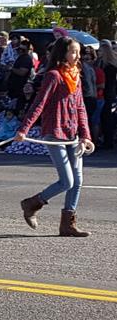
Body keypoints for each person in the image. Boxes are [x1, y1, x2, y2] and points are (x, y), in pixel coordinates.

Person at [15, 35, 94, 237]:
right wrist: (24, 129)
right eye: (73, 52)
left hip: (73, 134)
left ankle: (67, 225)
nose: (77, 56)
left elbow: (80, 108)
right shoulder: (53, 76)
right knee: (67, 181)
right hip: (54, 132)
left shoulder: (75, 75)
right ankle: (32, 203)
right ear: (62, 53)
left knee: (77, 181)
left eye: (78, 52)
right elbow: (39, 104)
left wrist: (86, 135)